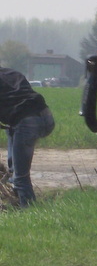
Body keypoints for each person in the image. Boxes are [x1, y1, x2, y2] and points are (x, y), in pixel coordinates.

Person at [0, 67, 56, 207]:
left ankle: (28, 211)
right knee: (12, 128)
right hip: (46, 116)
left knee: (20, 177)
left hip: (26, 122)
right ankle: (17, 198)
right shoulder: (12, 73)